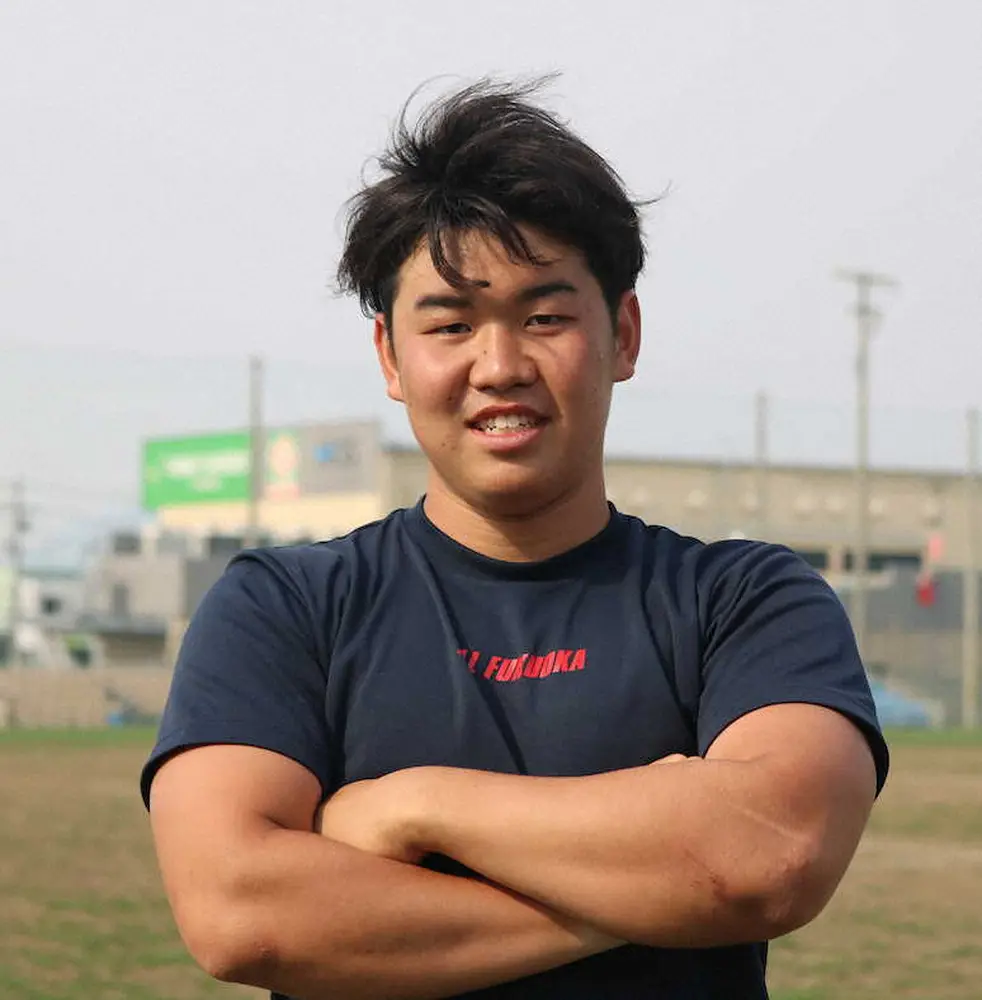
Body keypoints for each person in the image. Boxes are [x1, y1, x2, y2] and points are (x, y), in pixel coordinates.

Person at [142, 80, 889, 1000]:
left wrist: (414, 806)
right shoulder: (284, 607)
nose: (498, 367)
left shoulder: (744, 599)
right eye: (451, 325)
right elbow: (241, 914)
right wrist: (661, 884)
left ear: (622, 334)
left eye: (544, 318)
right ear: (390, 357)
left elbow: (770, 857)